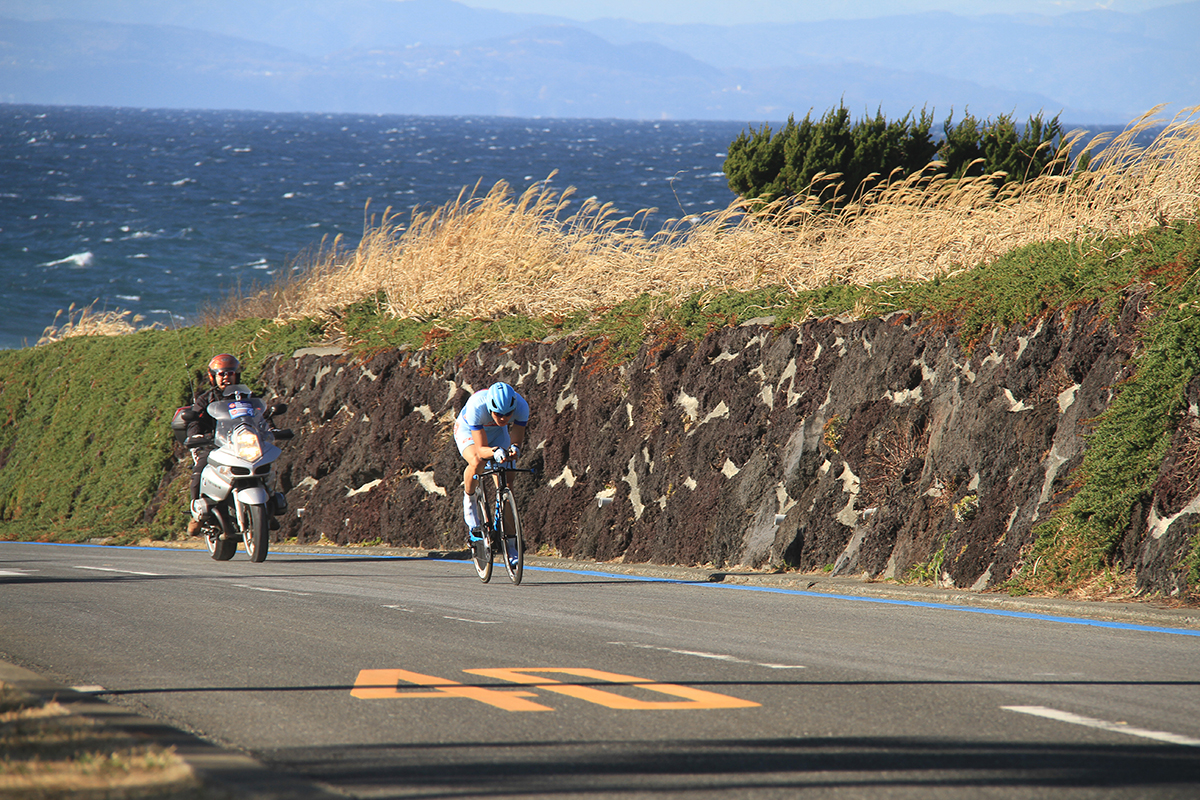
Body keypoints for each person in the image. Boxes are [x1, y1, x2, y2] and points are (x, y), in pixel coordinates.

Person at [453, 381, 529, 543]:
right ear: (489, 408)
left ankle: (510, 542)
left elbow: (516, 441)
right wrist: (495, 451)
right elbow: (481, 449)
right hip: (468, 430)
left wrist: (514, 449)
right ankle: (470, 501)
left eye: (508, 414)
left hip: (496, 433)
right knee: (477, 461)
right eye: (498, 414)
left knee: (508, 482)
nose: (503, 418)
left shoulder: (522, 407)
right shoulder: (477, 405)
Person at [185, 353, 243, 535]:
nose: (226, 377)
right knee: (199, 470)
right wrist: (196, 435)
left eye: (230, 373)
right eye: (221, 374)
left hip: (241, 445)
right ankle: (196, 515)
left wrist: (271, 429)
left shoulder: (246, 396)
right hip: (214, 444)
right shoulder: (205, 399)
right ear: (213, 377)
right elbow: (194, 420)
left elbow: (262, 415)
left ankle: (268, 505)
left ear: (236, 375)